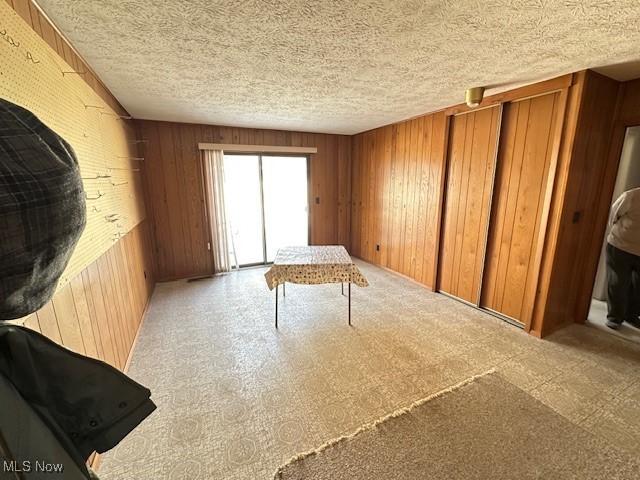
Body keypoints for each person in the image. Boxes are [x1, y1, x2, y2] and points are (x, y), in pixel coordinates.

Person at [606, 186, 640, 330]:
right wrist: (616, 232)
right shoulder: (632, 195)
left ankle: (631, 314)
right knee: (618, 281)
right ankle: (614, 317)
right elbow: (614, 213)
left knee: (638, 285)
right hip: (620, 245)